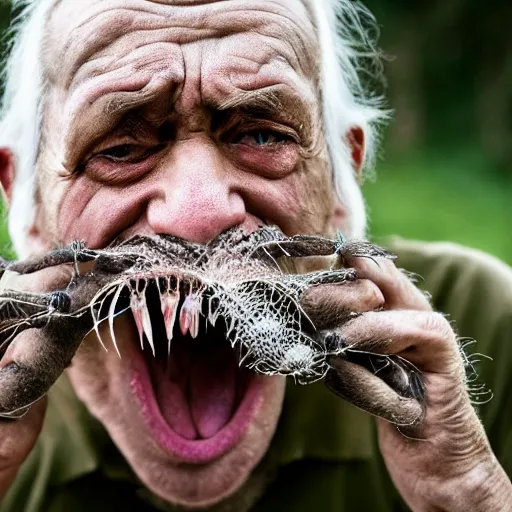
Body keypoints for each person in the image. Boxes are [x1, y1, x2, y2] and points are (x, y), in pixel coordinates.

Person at [0, 0, 510, 510]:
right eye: (119, 150)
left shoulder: (482, 324)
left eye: (262, 136)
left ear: (341, 182)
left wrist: (466, 488)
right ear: (26, 200)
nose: (197, 214)